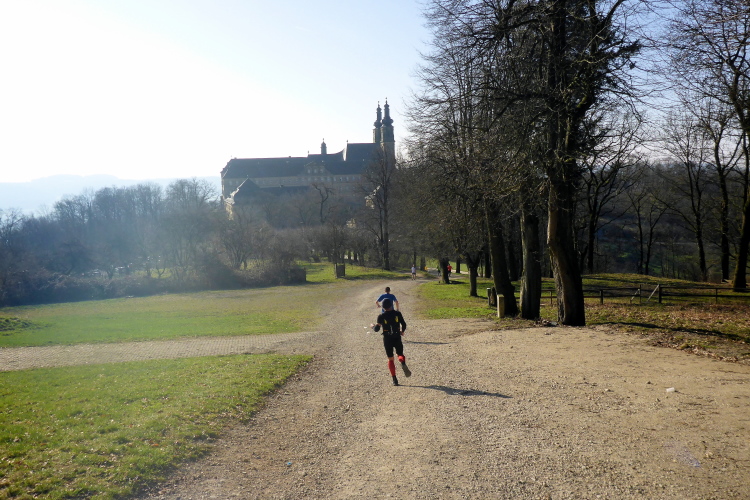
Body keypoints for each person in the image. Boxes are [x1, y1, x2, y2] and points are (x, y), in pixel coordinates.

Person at [372, 298, 411, 386]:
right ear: (391, 305)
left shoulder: (381, 316)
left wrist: (372, 326)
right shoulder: (397, 313)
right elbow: (404, 324)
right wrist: (402, 331)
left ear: (383, 307)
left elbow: (377, 329)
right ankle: (402, 362)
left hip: (387, 338)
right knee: (400, 354)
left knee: (390, 359)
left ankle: (394, 380)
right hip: (397, 336)